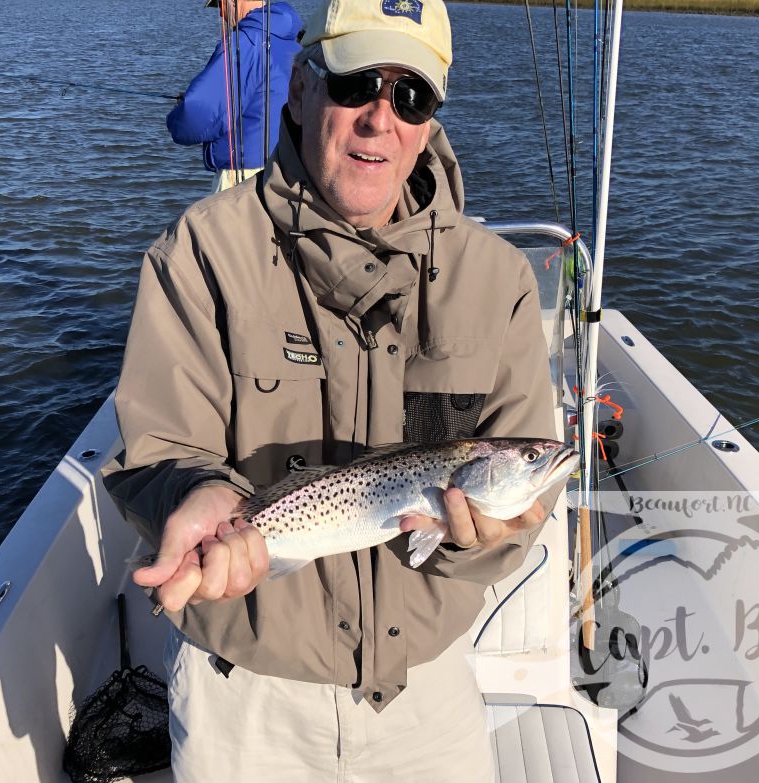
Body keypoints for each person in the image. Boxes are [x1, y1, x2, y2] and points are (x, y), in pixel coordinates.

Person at [106, 0, 563, 779]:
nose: (380, 119)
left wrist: (489, 534)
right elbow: (155, 451)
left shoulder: (500, 281)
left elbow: (516, 504)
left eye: (411, 95)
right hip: (244, 704)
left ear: (431, 119)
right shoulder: (200, 253)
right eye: (356, 83)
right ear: (301, 86)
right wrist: (197, 495)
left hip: (425, 697)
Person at [166, 0, 302, 192]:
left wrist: (176, 117)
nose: (221, 14)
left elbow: (196, 115)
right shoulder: (293, 42)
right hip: (289, 173)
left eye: (220, 4)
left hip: (244, 178)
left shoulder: (245, 42)